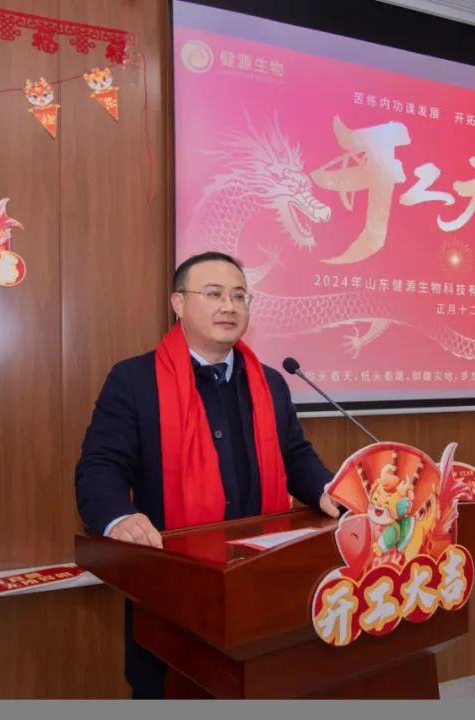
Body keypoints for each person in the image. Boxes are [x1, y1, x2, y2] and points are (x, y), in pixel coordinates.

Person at [74, 251, 340, 698]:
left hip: (262, 579)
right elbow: (100, 466)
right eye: (213, 294)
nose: (229, 306)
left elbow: (295, 456)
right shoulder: (135, 380)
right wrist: (119, 517)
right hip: (172, 584)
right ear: (178, 303)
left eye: (239, 296)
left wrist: (328, 488)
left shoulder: (270, 382)